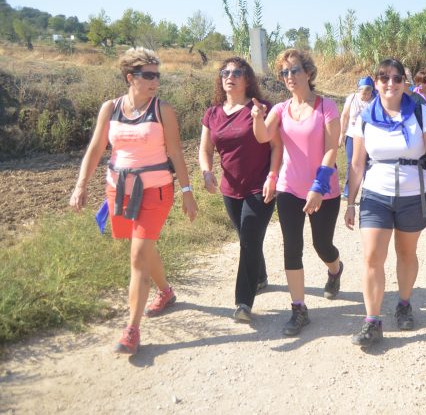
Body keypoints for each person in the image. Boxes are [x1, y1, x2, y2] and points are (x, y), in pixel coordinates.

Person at [69, 47, 198, 355]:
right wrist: (81, 184)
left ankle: (132, 330)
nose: (155, 80)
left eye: (157, 75)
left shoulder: (162, 109)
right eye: (148, 75)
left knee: (137, 255)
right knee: (143, 245)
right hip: (119, 190)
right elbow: (97, 148)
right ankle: (165, 292)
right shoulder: (110, 108)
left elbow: (176, 152)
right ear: (131, 77)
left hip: (156, 191)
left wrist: (187, 192)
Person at [344, 58, 426, 348]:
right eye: (384, 78)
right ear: (376, 83)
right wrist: (350, 202)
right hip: (376, 193)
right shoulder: (364, 116)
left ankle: (403, 303)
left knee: (406, 253)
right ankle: (372, 321)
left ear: (404, 82)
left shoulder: (419, 112)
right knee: (372, 256)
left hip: (414, 193)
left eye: (396, 78)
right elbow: (356, 164)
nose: (390, 84)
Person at [251, 48, 343, 337]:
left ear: (308, 72)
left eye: (294, 70)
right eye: (284, 72)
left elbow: (332, 147)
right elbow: (263, 136)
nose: (289, 77)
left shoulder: (326, 106)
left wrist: (318, 186)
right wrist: (257, 116)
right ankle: (298, 308)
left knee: (322, 245)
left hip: (323, 190)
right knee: (292, 246)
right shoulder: (279, 109)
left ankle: (335, 269)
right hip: (289, 187)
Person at [198, 56, 282, 322]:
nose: (229, 76)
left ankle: (243, 303)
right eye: (225, 72)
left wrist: (273, 176)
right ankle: (260, 276)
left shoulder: (262, 108)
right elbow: (205, 149)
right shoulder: (212, 113)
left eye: (236, 72)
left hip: (260, 186)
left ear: (248, 79)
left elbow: (276, 146)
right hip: (230, 188)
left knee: (248, 240)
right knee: (247, 237)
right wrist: (207, 170)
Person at [339, 76, 375, 198]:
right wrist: (341, 134)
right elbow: (344, 116)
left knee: (367, 163)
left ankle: (367, 191)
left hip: (369, 137)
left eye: (368, 92)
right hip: (351, 135)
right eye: (362, 91)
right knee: (351, 163)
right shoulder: (352, 98)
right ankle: (348, 191)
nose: (365, 94)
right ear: (358, 90)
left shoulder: (375, 101)